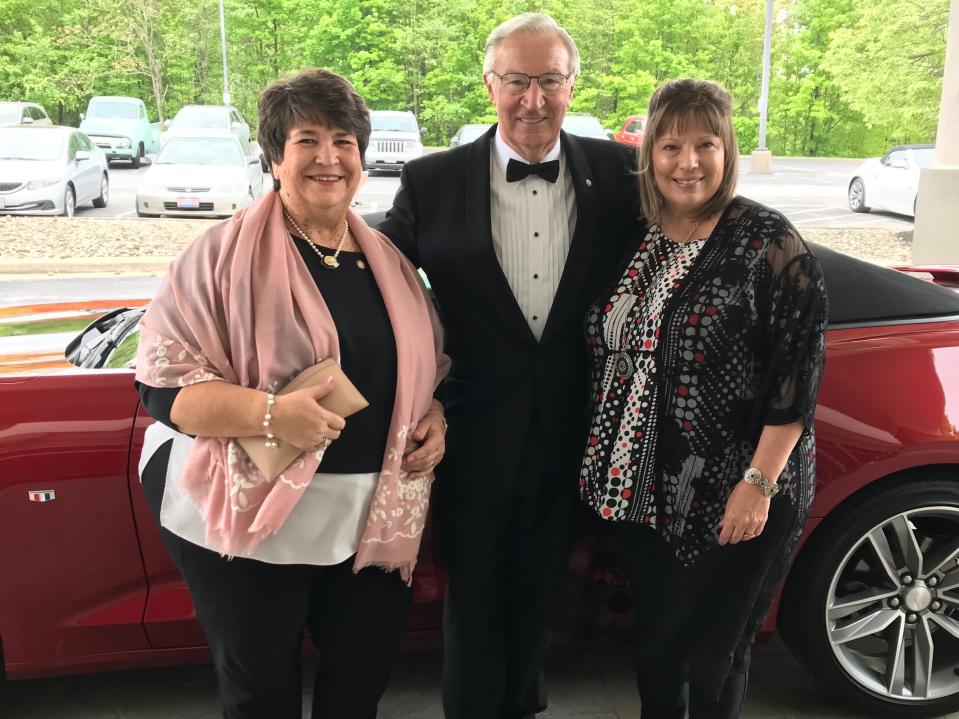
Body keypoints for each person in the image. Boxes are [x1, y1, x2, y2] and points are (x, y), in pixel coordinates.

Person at [133, 68, 450, 719]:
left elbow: (426, 372)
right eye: (308, 140)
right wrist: (270, 413)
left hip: (366, 516)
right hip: (252, 522)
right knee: (260, 694)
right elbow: (160, 388)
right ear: (275, 155)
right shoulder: (216, 258)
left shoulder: (388, 259)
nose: (329, 158)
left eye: (344, 141)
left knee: (359, 682)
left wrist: (437, 417)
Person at [378, 12, 638, 719]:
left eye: (549, 80)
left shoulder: (618, 175)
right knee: (471, 601)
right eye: (517, 80)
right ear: (488, 83)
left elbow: (686, 241)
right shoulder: (431, 180)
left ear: (571, 83)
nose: (533, 99)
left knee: (541, 597)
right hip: (468, 432)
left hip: (573, 430)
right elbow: (374, 280)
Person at [579, 77, 829, 718]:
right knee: (660, 648)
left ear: (727, 151)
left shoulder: (767, 241)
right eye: (670, 146)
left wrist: (759, 482)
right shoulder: (635, 236)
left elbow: (797, 372)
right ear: (649, 156)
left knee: (714, 654)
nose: (687, 163)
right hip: (639, 490)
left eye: (704, 145)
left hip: (732, 490)